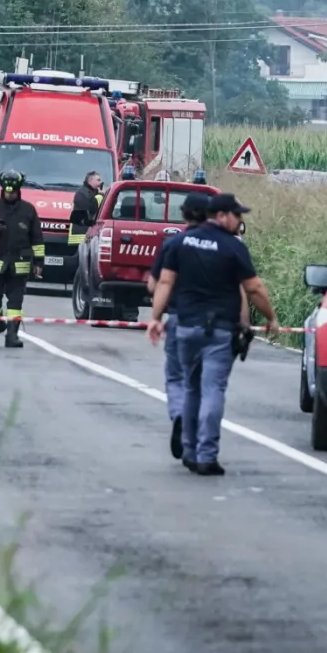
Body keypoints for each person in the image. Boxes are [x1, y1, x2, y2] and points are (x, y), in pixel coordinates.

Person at [146, 192, 279, 475]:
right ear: (221, 216)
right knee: (213, 390)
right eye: (237, 215)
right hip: (219, 329)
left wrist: (155, 319)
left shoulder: (180, 242)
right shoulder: (232, 247)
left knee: (191, 388)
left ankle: (190, 451)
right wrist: (270, 317)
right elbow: (252, 288)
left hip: (185, 327)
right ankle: (207, 455)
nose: (239, 221)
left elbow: (164, 282)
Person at [148, 191, 210, 460]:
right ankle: (203, 439)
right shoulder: (228, 244)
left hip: (180, 319)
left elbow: (157, 284)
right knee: (205, 383)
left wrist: (156, 317)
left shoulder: (174, 244)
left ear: (183, 215)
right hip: (216, 324)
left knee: (176, 376)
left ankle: (179, 415)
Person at [0, 170, 44, 349]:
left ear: (18, 190)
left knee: (15, 302)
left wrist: (39, 263)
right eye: (7, 192)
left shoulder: (28, 210)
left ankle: (12, 335)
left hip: (19, 264)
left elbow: (37, 238)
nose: (9, 194)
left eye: (12, 192)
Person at [69, 170, 105, 247]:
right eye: (98, 180)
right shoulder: (82, 193)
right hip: (79, 236)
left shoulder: (90, 193)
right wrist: (101, 196)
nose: (100, 183)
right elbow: (92, 208)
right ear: (90, 180)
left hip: (86, 235)